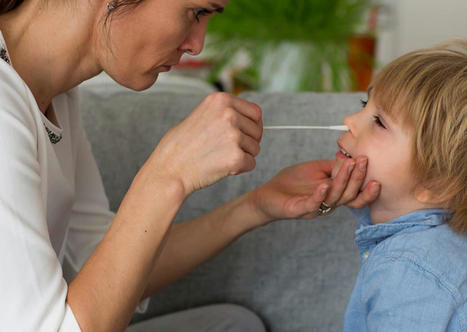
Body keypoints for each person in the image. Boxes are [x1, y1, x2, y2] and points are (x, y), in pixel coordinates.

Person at [0, 0, 381, 331]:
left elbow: (102, 265)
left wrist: (255, 206)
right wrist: (167, 176)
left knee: (234, 324)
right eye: (196, 12)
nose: (197, 44)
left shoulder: (58, 94)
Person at [332, 40, 467, 331]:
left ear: (436, 182)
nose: (349, 121)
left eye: (379, 122)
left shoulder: (408, 269)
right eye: (364, 105)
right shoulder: (431, 250)